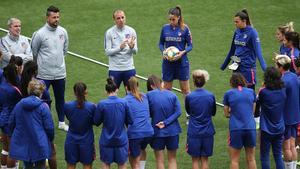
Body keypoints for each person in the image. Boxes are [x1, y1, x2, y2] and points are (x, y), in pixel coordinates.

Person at [31, 5, 69, 131]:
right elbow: (34, 53)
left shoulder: (63, 32)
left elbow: (64, 50)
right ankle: (41, 122)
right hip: (43, 75)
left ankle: (62, 122)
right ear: (47, 18)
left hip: (60, 73)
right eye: (54, 17)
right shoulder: (39, 34)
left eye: (58, 17)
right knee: (42, 99)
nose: (56, 19)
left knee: (60, 98)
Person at [8, 79, 54, 169]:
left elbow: (11, 123)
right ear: (41, 92)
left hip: (23, 142)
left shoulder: (19, 105)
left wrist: (13, 136)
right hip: (40, 143)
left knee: (27, 166)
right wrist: (50, 140)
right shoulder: (43, 107)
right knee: (41, 166)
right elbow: (49, 128)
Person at [220, 9, 267, 90]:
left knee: (249, 93)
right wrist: (224, 65)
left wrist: (266, 70)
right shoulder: (237, 32)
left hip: (248, 69)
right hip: (236, 68)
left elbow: (258, 53)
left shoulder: (253, 33)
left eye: (237, 22)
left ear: (244, 21)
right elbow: (232, 50)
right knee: (236, 92)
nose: (235, 24)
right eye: (234, 21)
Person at [94, 77, 133, 169]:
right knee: (122, 164)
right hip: (121, 141)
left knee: (106, 164)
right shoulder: (124, 103)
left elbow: (96, 122)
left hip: (106, 141)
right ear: (117, 90)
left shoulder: (102, 104)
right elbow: (130, 121)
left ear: (106, 91)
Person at [158, 5, 192, 104]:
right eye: (170, 19)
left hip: (182, 63)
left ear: (179, 17)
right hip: (168, 63)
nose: (171, 21)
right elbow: (160, 43)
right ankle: (167, 113)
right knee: (166, 90)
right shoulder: (165, 28)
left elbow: (190, 45)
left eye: (173, 19)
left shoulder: (185, 29)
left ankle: (189, 115)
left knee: (185, 90)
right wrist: (163, 51)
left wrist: (183, 52)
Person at [146, 75, 182, 169]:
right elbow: (178, 112)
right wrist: (166, 122)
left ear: (151, 86)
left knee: (159, 160)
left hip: (157, 132)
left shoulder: (148, 95)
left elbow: (147, 112)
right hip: (173, 132)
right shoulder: (172, 94)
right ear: (161, 83)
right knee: (172, 159)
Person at [223, 73, 257, 169]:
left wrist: (232, 112)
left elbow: (226, 114)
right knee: (251, 158)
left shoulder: (228, 93)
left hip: (236, 128)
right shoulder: (251, 92)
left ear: (232, 82)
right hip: (250, 127)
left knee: (234, 160)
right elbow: (252, 111)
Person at [185, 70, 216, 169]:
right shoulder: (211, 95)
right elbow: (213, 112)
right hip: (207, 132)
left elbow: (188, 111)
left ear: (194, 82)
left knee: (195, 160)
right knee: (205, 160)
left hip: (194, 132)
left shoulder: (189, 96)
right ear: (204, 82)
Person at [257, 67, 285, 169]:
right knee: (278, 155)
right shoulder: (283, 90)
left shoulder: (263, 92)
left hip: (266, 129)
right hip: (280, 127)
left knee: (264, 156)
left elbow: (257, 104)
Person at [274, 55, 300, 169]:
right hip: (295, 116)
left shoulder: (283, 81)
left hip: (286, 117)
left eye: (276, 65)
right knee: (293, 145)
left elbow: (280, 99)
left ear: (281, 67)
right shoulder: (295, 76)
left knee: (287, 147)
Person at [64, 82, 96, 169]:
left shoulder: (67, 106)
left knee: (70, 165)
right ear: (85, 92)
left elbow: (69, 117)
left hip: (71, 140)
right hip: (87, 141)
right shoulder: (92, 107)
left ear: (74, 93)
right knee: (87, 165)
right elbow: (95, 121)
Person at [124, 77, 154, 169]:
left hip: (135, 134)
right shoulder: (145, 97)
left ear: (126, 87)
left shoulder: (125, 100)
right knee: (142, 149)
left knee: (134, 160)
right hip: (148, 132)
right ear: (138, 86)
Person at [104, 10, 138, 89]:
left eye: (122, 17)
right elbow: (107, 52)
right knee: (112, 93)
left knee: (132, 94)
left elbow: (135, 51)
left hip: (129, 68)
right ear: (114, 20)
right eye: (118, 18)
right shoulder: (109, 32)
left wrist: (132, 47)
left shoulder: (132, 31)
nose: (121, 20)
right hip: (115, 69)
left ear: (125, 18)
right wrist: (120, 48)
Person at [0, 64, 23, 169]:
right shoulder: (14, 90)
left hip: (3, 119)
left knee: (5, 148)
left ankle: (3, 167)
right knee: (13, 151)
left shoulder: (2, 86)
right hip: (11, 121)